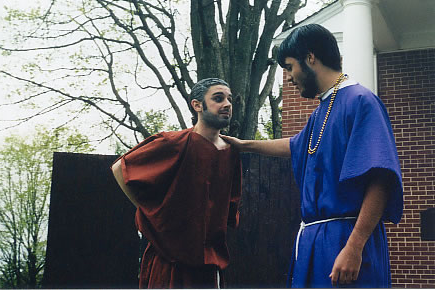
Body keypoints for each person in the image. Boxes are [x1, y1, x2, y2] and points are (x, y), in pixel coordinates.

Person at [221, 24, 403, 288]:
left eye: (289, 66)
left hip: (347, 242)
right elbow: (297, 145)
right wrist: (244, 145)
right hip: (315, 241)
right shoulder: (323, 109)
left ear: (310, 57)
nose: (290, 77)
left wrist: (354, 246)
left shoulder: (360, 100)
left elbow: (381, 179)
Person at [111, 78, 242, 288]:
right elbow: (120, 168)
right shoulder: (174, 142)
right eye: (218, 99)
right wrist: (148, 210)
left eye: (229, 99)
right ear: (197, 105)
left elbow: (227, 209)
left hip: (209, 265)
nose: (227, 104)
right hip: (169, 261)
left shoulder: (230, 152)